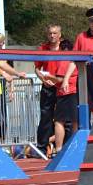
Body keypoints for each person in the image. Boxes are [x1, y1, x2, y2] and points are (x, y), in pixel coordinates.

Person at [34, 24, 64, 156]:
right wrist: (42, 79)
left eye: (55, 33)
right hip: (47, 87)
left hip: (62, 88)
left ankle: (61, 145)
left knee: (63, 118)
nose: (52, 36)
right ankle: (41, 147)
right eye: (50, 33)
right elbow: (36, 68)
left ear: (60, 35)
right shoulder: (42, 48)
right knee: (45, 117)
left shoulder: (65, 48)